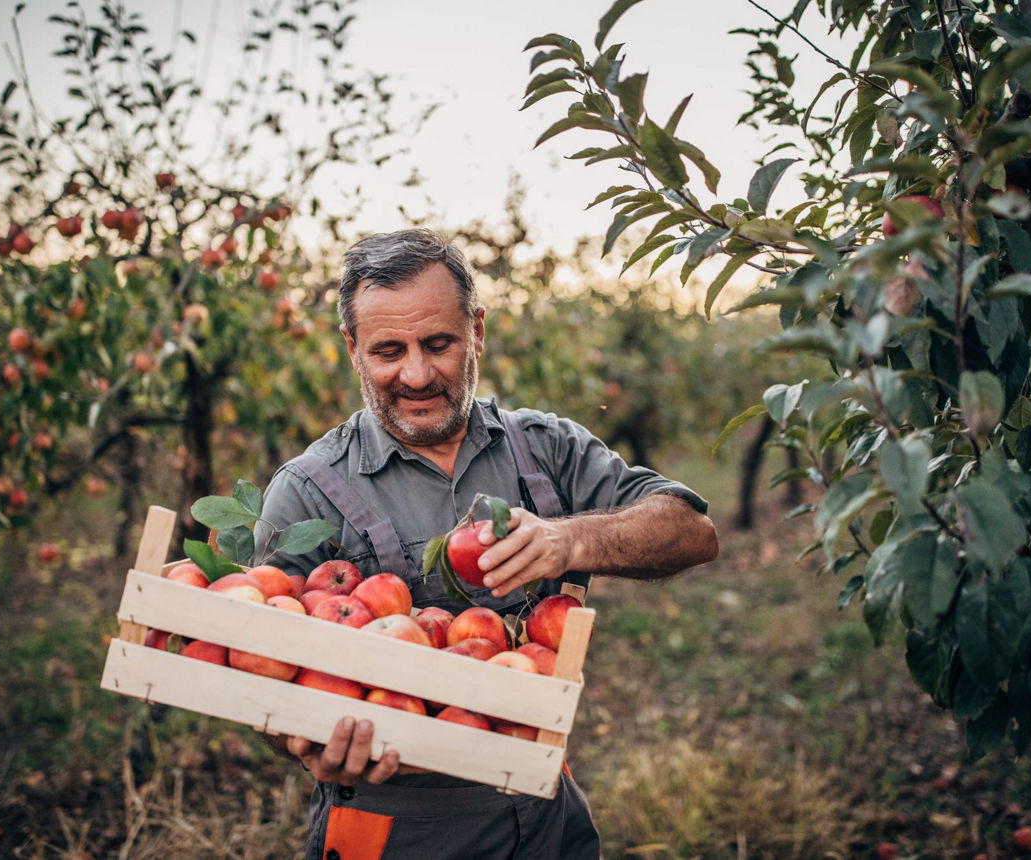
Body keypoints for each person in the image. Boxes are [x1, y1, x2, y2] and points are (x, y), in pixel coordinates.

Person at [252, 228, 719, 859]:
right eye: (388, 350)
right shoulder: (307, 494)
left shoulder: (544, 448)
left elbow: (692, 530)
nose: (416, 374)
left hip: (542, 807)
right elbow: (264, 675)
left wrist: (568, 539)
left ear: (476, 330)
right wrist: (304, 739)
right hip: (395, 829)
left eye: (438, 343)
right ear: (352, 349)